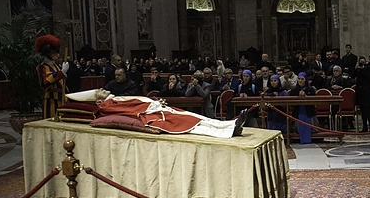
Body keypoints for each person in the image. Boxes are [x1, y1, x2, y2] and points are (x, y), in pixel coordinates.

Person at [88, 89, 246, 138]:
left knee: (196, 117)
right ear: (97, 102)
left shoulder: (114, 98)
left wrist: (155, 103)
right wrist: (152, 106)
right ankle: (229, 130)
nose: (102, 89)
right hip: (152, 115)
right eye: (99, 92)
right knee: (190, 123)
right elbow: (129, 110)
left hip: (156, 108)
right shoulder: (107, 105)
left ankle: (231, 125)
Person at [34, 35, 68, 119]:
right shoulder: (42, 67)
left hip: (61, 97)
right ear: (48, 54)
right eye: (54, 52)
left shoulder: (56, 66)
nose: (58, 55)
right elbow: (45, 82)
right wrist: (61, 73)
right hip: (51, 99)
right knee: (51, 120)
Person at [289, 72, 316, 144]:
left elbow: (314, 102)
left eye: (302, 79)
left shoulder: (310, 89)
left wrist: (306, 96)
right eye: (299, 79)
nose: (300, 81)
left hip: (308, 112)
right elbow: (291, 103)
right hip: (298, 112)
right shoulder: (294, 90)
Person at [353, 55, 370, 133]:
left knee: (368, 110)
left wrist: (363, 69)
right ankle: (364, 126)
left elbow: (369, 77)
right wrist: (356, 68)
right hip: (360, 92)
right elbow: (353, 75)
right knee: (362, 110)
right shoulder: (358, 69)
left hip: (368, 92)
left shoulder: (369, 68)